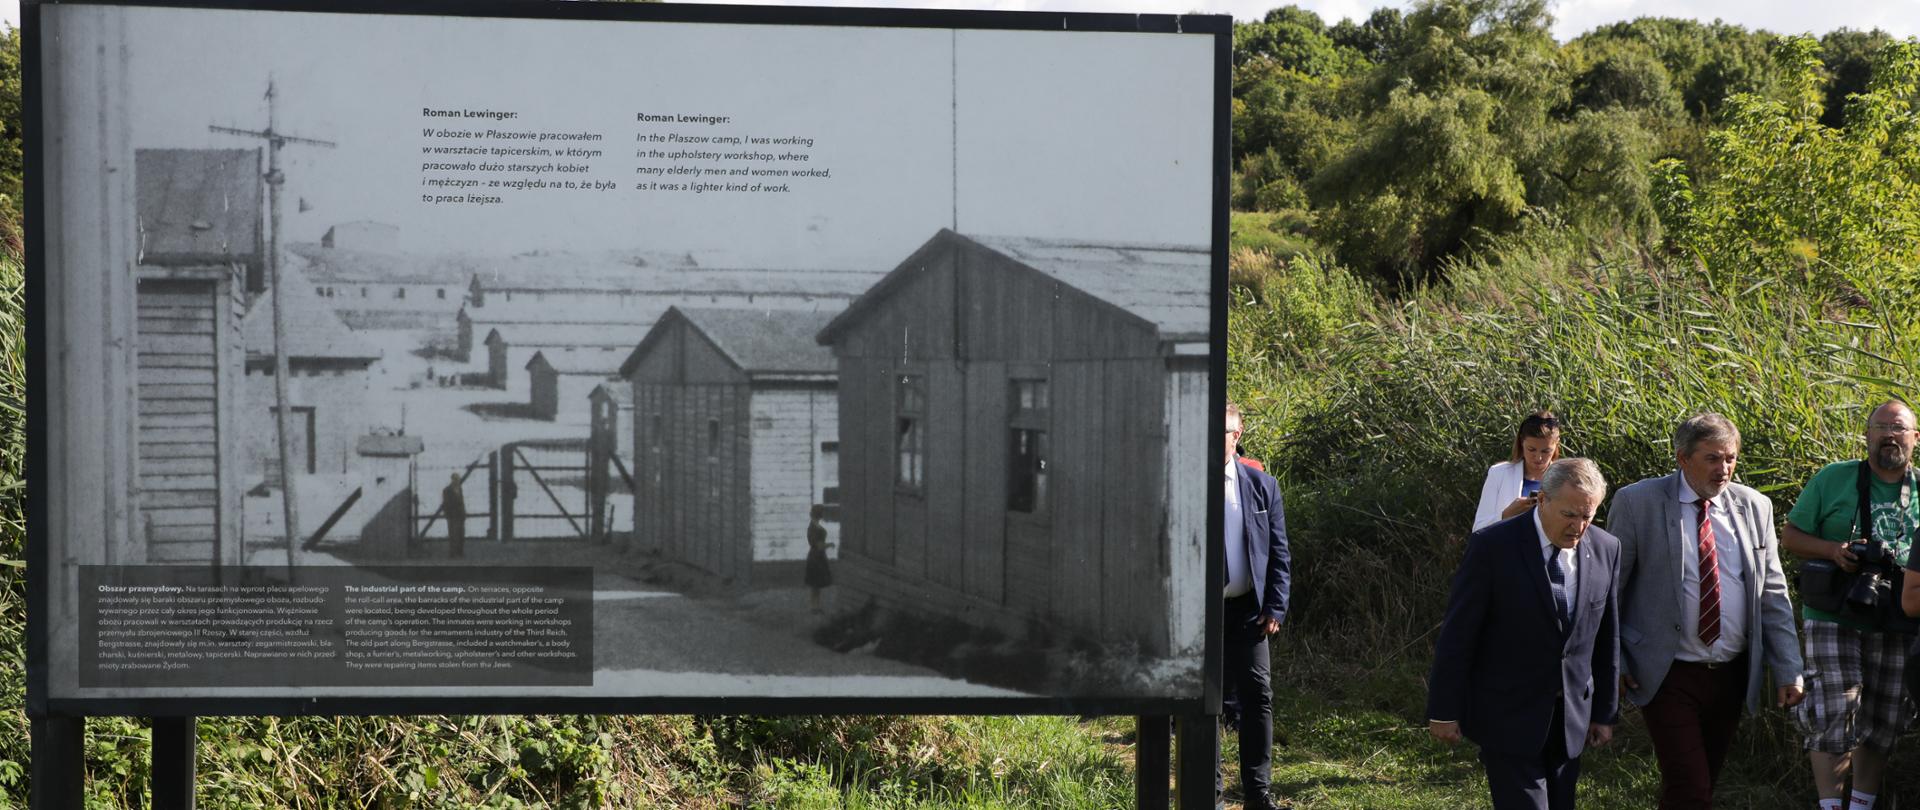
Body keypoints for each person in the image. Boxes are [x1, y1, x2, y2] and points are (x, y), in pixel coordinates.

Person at [1610, 413, 1804, 809]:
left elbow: (1772, 593)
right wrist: (1614, 660)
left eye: (1731, 458)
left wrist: (1788, 668)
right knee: (1691, 786)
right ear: (1683, 458)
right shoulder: (1637, 502)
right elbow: (1608, 590)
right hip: (1666, 670)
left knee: (1700, 783)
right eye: (1713, 458)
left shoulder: (1754, 507)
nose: (1724, 468)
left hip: (1731, 673)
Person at [1428, 458, 1618, 810]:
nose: (1578, 526)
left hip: (1570, 721)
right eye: (1569, 514)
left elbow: (1606, 636)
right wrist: (1444, 709)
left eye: (1587, 515)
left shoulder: (1606, 549)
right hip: (1507, 716)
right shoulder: (1493, 547)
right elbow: (1459, 634)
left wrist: (1604, 712)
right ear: (1542, 500)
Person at [1784, 399, 1919, 810]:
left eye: (1899, 428)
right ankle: (1829, 805)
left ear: (1916, 438)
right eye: (1881, 427)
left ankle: (1860, 804)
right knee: (1834, 709)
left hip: (1898, 616)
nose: (1889, 435)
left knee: (1884, 720)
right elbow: (1791, 537)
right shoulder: (1834, 478)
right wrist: (1833, 550)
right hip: (1834, 613)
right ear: (1867, 434)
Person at [1219, 401, 1291, 810]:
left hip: (1249, 610)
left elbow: (1279, 553)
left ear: (1238, 434)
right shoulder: (1188, 481)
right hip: (1202, 612)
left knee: (1258, 696)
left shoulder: (1262, 486)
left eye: (1226, 432)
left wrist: (1276, 607)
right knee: (1205, 699)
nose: (1218, 439)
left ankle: (1257, 793)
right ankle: (1208, 791)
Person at [1473, 411, 1563, 532]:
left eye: (1546, 451)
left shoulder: (1564, 479)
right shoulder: (1498, 473)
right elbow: (1478, 529)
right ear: (1521, 443)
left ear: (1556, 444)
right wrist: (1506, 515)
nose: (1538, 458)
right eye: (1531, 449)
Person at [804, 504, 832, 614]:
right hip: (816, 557)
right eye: (822, 512)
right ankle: (813, 607)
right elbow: (817, 545)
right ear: (819, 514)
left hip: (818, 556)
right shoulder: (813, 528)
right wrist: (829, 545)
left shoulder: (816, 526)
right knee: (815, 583)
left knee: (817, 584)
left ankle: (816, 606)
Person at [443, 472, 467, 559]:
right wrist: (448, 515)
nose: (457, 481)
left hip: (460, 515)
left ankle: (460, 552)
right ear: (452, 480)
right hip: (452, 516)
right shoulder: (446, 490)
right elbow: (445, 504)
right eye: (456, 479)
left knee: (461, 534)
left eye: (458, 479)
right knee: (453, 535)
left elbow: (462, 502)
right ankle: (452, 553)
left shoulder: (460, 489)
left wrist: (464, 513)